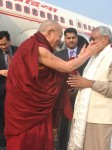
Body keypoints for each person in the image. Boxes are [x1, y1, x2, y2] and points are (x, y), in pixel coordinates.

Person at [4, 19, 103, 150]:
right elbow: (66, 67)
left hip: (30, 107)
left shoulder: (29, 45)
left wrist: (80, 55)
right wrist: (88, 54)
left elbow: (57, 68)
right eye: (60, 35)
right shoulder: (38, 49)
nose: (60, 40)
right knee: (27, 142)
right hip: (27, 111)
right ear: (50, 32)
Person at [67, 26, 112, 150]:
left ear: (105, 39)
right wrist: (77, 85)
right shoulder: (92, 58)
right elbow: (85, 84)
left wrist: (89, 83)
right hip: (84, 116)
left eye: (93, 39)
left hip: (101, 120)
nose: (91, 43)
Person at [54, 27, 88, 150]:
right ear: (65, 39)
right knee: (63, 125)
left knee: (79, 125)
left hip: (81, 94)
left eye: (73, 38)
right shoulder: (57, 55)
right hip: (64, 95)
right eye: (68, 38)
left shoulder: (85, 55)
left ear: (77, 38)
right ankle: (62, 147)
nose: (71, 40)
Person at [0, 31, 17, 147]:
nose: (2, 47)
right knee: (1, 115)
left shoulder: (18, 50)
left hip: (16, 90)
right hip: (1, 89)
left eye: (5, 44)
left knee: (13, 115)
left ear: (10, 41)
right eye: (0, 45)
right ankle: (2, 138)